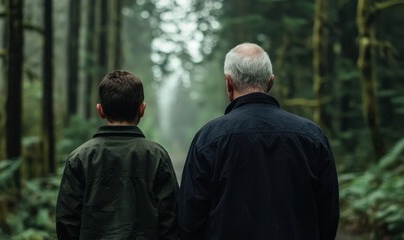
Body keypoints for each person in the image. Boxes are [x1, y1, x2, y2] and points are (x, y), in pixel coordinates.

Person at [178, 43, 339, 240]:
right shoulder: (312, 137)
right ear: (270, 82)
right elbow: (328, 215)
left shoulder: (208, 138)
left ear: (228, 83)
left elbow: (189, 219)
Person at [56, 70, 179, 240]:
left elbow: (66, 221)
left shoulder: (79, 159)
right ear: (142, 109)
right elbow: (171, 220)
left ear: (100, 110)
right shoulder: (157, 156)